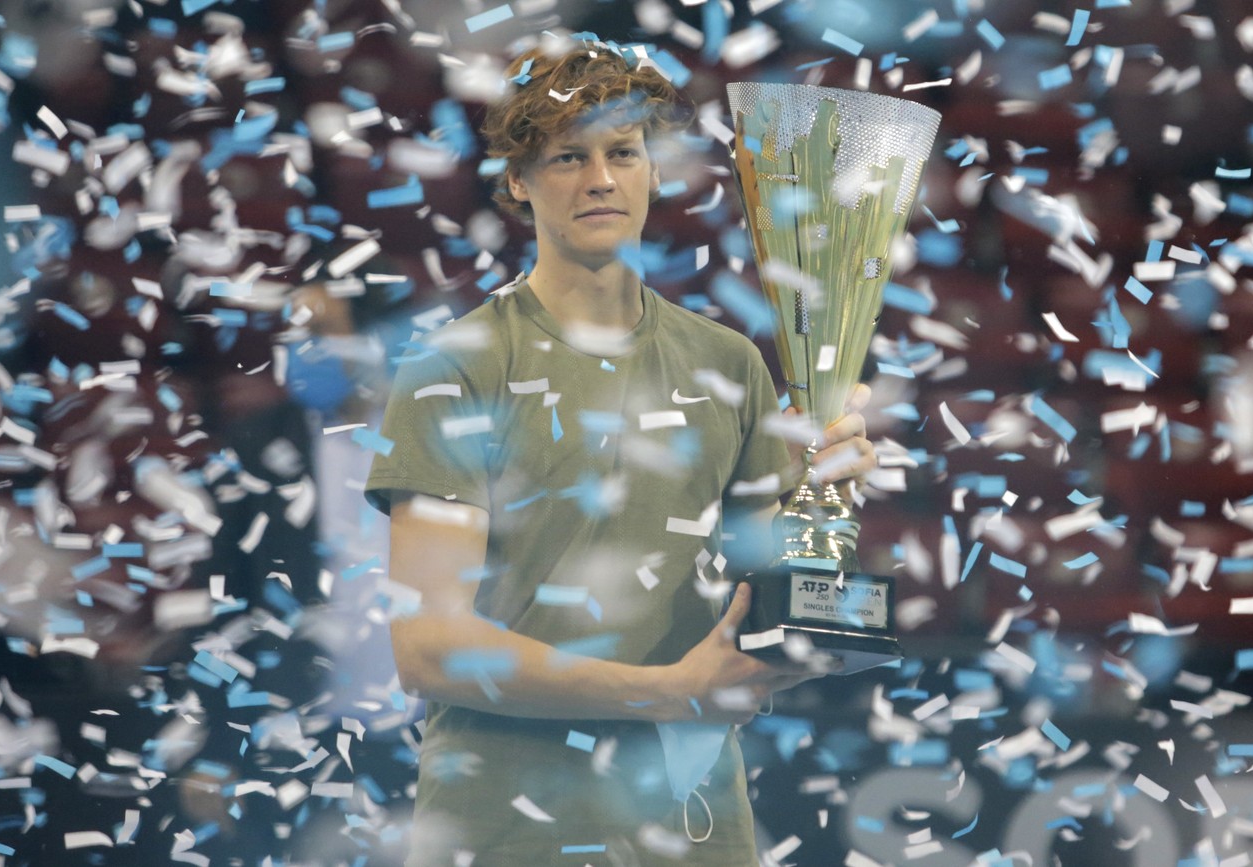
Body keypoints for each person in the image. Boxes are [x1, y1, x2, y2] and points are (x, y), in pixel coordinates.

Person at [362, 40, 878, 865]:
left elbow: (766, 603)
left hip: (696, 831)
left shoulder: (729, 362)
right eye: (569, 156)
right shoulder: (456, 366)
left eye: (622, 152)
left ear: (653, 171)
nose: (600, 178)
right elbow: (429, 646)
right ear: (519, 182)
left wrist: (829, 490)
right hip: (504, 833)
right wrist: (664, 694)